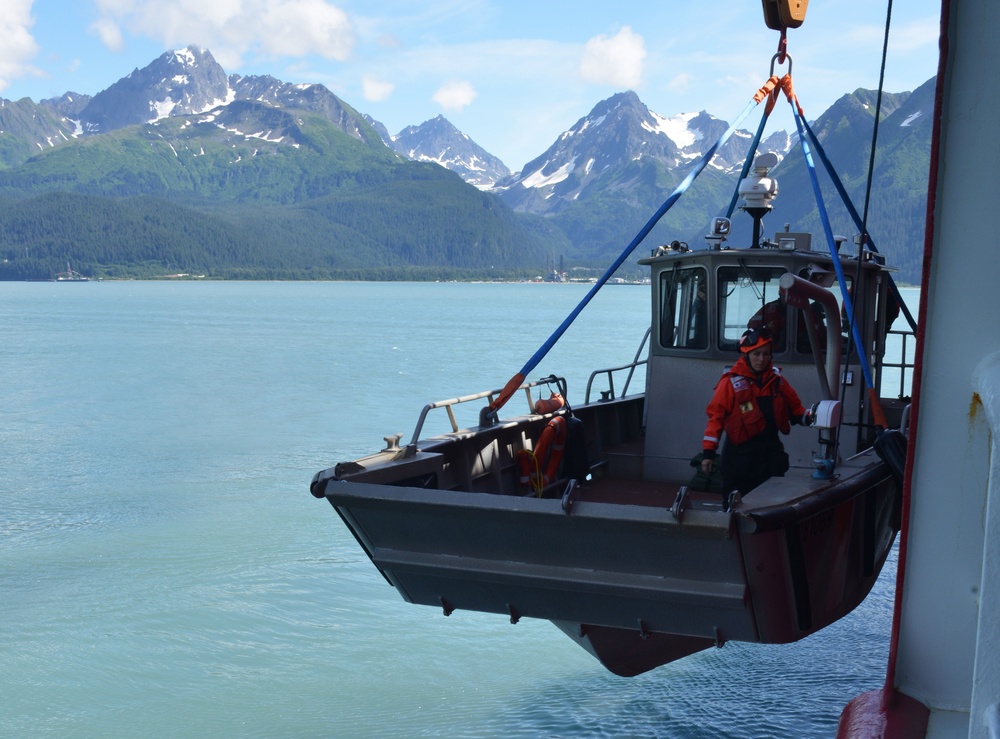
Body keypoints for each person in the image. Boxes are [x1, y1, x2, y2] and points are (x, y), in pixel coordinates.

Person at [700, 328, 812, 508]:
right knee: (734, 508)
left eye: (766, 354)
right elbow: (716, 419)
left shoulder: (778, 381)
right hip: (739, 460)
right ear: (746, 355)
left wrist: (814, 417)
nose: (762, 359)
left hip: (770, 457)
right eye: (757, 354)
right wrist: (708, 454)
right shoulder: (729, 383)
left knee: (772, 508)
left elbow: (797, 410)